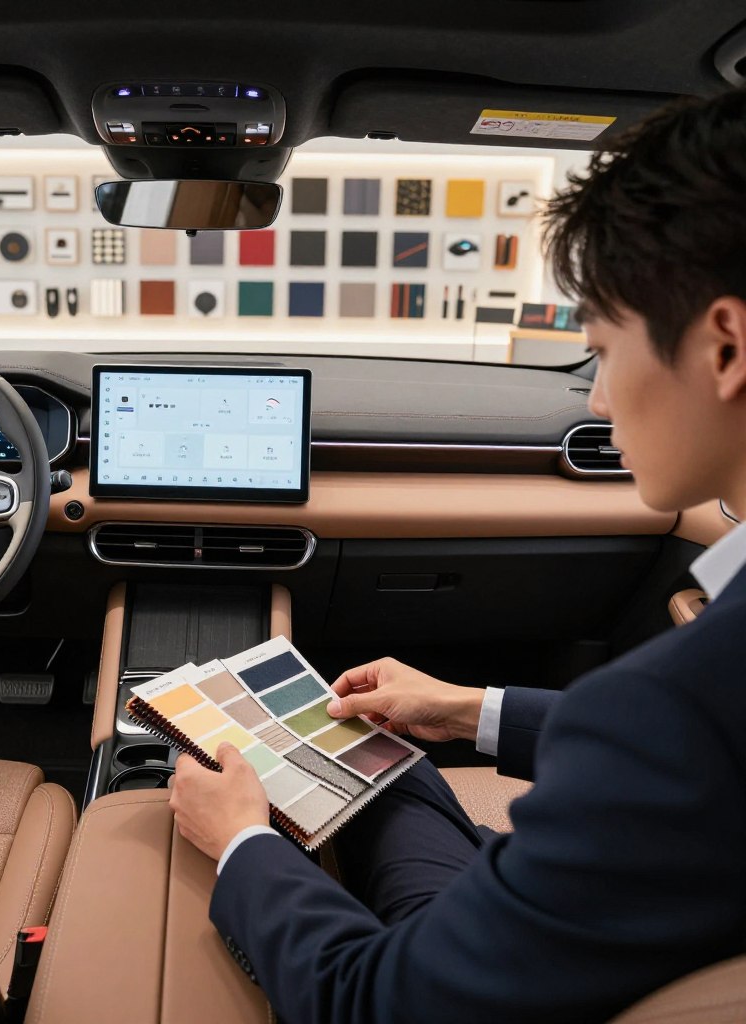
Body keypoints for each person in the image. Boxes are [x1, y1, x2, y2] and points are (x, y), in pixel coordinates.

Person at [169, 86, 746, 1024]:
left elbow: (375, 1004)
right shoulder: (679, 715)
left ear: (725, 345)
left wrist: (240, 842)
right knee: (387, 754)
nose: (598, 399)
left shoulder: (671, 713)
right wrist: (467, 710)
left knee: (341, 788)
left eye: (601, 347)